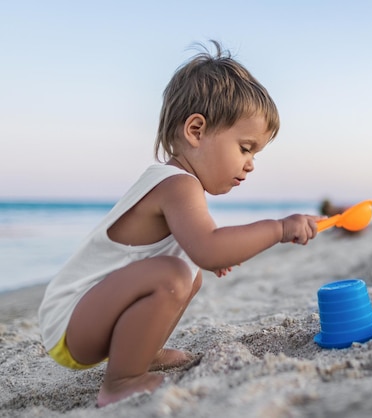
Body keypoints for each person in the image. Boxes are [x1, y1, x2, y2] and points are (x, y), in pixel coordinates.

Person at [38, 41, 321, 407]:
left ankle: (142, 350)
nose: (251, 163)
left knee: (188, 274)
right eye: (245, 148)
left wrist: (214, 254)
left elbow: (205, 250)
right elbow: (208, 246)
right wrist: (280, 229)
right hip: (72, 324)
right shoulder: (177, 185)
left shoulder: (179, 184)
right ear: (196, 131)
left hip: (89, 318)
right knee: (173, 275)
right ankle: (122, 380)